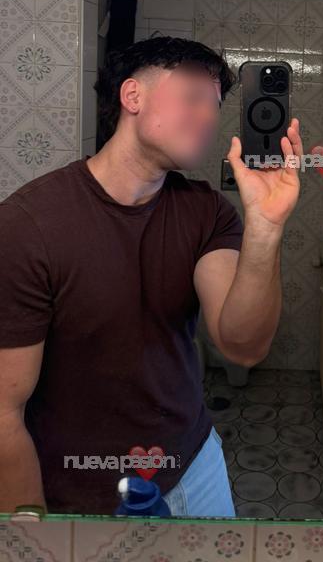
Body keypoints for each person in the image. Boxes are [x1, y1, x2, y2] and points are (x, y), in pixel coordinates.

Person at [0, 36, 303, 516]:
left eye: (215, 104)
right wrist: (31, 534)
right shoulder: (29, 226)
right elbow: (3, 413)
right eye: (192, 96)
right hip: (80, 491)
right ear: (132, 96)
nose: (209, 116)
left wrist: (265, 228)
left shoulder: (206, 212)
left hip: (194, 466)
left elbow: (243, 346)